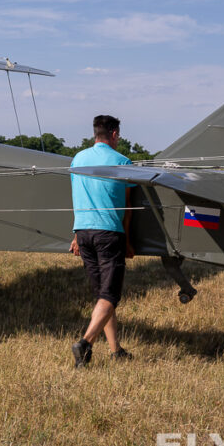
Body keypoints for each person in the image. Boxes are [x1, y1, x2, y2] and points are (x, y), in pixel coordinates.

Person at [69, 114, 134, 367]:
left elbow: (77, 197)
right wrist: (127, 239)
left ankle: (116, 350)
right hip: (108, 232)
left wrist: (76, 235)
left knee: (101, 297)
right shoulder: (123, 161)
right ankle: (85, 343)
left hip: (83, 232)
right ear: (115, 134)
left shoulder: (78, 159)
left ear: (96, 133)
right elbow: (129, 206)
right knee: (110, 295)